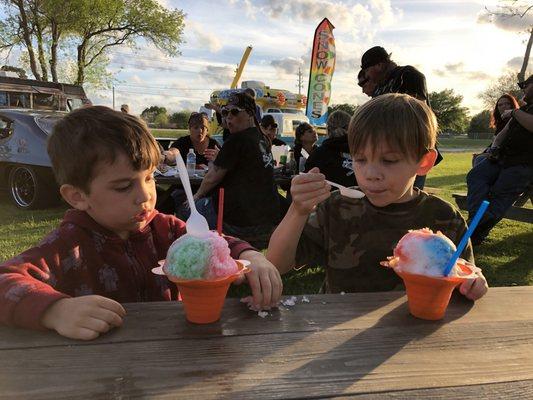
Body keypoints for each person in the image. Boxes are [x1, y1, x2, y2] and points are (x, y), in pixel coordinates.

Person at [0, 106, 282, 340]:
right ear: (77, 196)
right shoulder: (67, 246)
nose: (145, 195)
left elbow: (212, 242)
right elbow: (5, 280)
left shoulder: (166, 229)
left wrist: (249, 255)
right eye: (124, 187)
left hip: (173, 355)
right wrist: (55, 310)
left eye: (149, 178)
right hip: (99, 373)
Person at [267, 93, 488, 300]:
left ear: (424, 162)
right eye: (360, 160)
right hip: (336, 327)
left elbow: (466, 277)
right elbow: (277, 263)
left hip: (411, 330)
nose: (371, 175)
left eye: (389, 160)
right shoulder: (338, 207)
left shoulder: (444, 218)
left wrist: (474, 284)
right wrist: (298, 211)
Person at [191, 92, 280, 247]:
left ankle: (202, 258)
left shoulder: (238, 139)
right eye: (225, 113)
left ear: (251, 114)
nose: (228, 118)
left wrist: (195, 196)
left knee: (189, 210)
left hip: (241, 223)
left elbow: (213, 177)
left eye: (235, 112)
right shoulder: (262, 138)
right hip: (267, 218)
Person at [360, 45, 441, 190]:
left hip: (410, 149)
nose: (367, 76)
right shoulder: (380, 87)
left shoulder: (408, 74)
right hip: (386, 150)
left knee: (407, 199)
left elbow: (416, 112)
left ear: (379, 64)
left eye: (367, 70)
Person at [466, 76, 533, 245]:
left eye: (525, 85)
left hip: (522, 164)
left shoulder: (519, 112)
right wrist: (494, 148)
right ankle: (474, 223)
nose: (522, 88)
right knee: (476, 176)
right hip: (501, 157)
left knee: (498, 197)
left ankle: (472, 235)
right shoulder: (526, 109)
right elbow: (503, 133)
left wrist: (515, 112)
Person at [305, 110, 356, 188]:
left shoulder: (319, 154)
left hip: (326, 198)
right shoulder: (362, 152)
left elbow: (306, 180)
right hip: (359, 197)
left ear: (328, 130)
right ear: (351, 128)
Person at [473, 94, 520, 167]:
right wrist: (483, 152)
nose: (503, 106)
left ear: (513, 105)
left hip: (510, 157)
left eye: (507, 103)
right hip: (497, 154)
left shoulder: (518, 122)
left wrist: (487, 154)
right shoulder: (500, 125)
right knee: (477, 158)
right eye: (500, 105)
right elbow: (493, 144)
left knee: (480, 159)